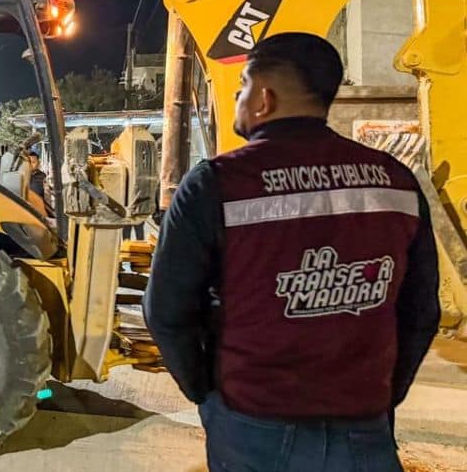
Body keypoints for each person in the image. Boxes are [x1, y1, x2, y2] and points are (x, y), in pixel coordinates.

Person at [144, 33, 439, 472]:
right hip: (364, 424)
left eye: (242, 86)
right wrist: (382, 394)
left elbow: (167, 312)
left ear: (264, 98)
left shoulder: (216, 184)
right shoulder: (395, 180)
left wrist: (206, 392)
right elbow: (421, 311)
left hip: (252, 425)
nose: (238, 98)